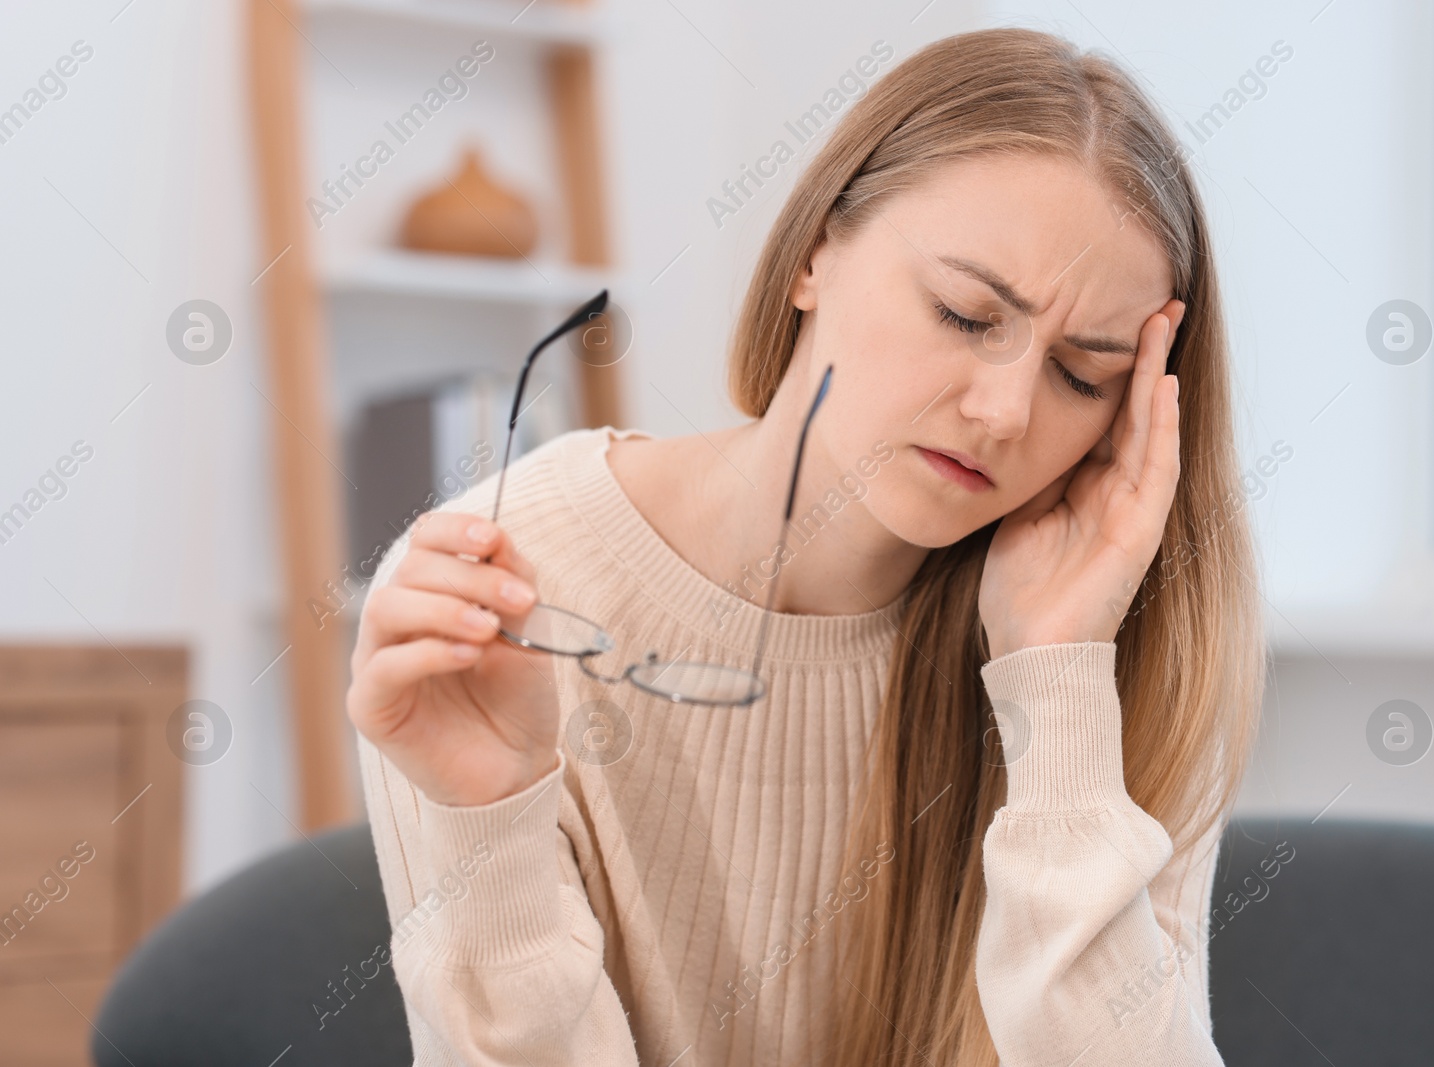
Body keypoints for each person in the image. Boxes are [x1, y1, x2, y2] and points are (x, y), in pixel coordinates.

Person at [347, 26, 1262, 1067]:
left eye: (1082, 375)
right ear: (813, 255)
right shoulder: (504, 587)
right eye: (966, 315)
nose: (1005, 409)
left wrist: (1055, 688)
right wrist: (493, 826)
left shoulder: (1127, 641)